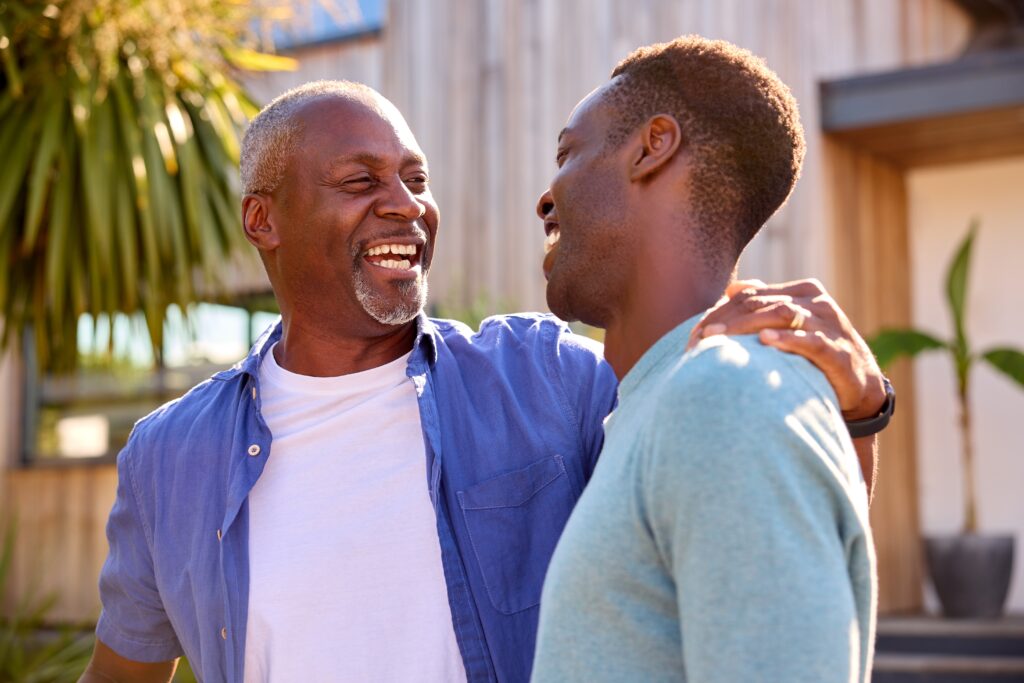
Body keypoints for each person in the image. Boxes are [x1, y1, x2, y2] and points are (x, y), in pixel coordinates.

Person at [79, 79, 888, 683]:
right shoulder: (167, 458)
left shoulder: (549, 378)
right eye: (362, 182)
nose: (406, 206)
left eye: (416, 179)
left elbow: (753, 511)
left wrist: (855, 415)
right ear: (265, 219)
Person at [531, 36, 877, 683]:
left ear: (651, 146)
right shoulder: (659, 407)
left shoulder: (723, 395)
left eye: (567, 153)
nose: (545, 198)